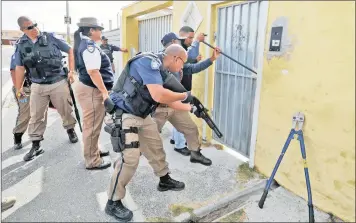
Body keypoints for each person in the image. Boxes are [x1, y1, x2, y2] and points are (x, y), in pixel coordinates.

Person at [105, 44, 199, 221]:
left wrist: (191, 107)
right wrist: (184, 95)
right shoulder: (147, 62)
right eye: (183, 63)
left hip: (141, 114)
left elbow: (170, 102)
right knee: (131, 158)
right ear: (176, 58)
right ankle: (113, 201)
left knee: (156, 147)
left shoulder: (161, 71)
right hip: (124, 113)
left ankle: (164, 180)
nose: (182, 68)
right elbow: (159, 95)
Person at [14, 16, 78, 162]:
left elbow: (70, 50)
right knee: (36, 115)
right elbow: (19, 67)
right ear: (23, 30)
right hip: (37, 85)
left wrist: (72, 71)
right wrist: (19, 88)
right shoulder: (21, 45)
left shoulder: (51, 37)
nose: (34, 28)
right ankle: (36, 145)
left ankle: (70, 130)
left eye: (35, 25)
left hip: (58, 82)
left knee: (66, 110)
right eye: (30, 27)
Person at [151, 32, 220, 165]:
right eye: (178, 41)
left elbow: (193, 68)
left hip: (175, 105)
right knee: (147, 138)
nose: (181, 43)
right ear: (172, 43)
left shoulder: (179, 61)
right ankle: (128, 160)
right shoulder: (159, 61)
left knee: (191, 128)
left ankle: (195, 153)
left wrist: (212, 59)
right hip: (159, 108)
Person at [73, 17, 112, 170]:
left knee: (93, 124)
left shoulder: (84, 43)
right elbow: (93, 71)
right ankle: (92, 160)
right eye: (99, 29)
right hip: (92, 90)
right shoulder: (89, 46)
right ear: (91, 30)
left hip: (88, 88)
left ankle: (93, 151)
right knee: (92, 126)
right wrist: (104, 92)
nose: (101, 32)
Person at [170, 26, 207, 155]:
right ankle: (180, 146)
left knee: (176, 116)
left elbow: (188, 59)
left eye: (192, 38)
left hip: (181, 88)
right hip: (180, 89)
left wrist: (194, 60)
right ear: (182, 36)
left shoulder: (181, 48)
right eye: (190, 38)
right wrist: (198, 41)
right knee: (181, 117)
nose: (191, 40)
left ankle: (175, 139)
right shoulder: (179, 49)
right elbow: (190, 55)